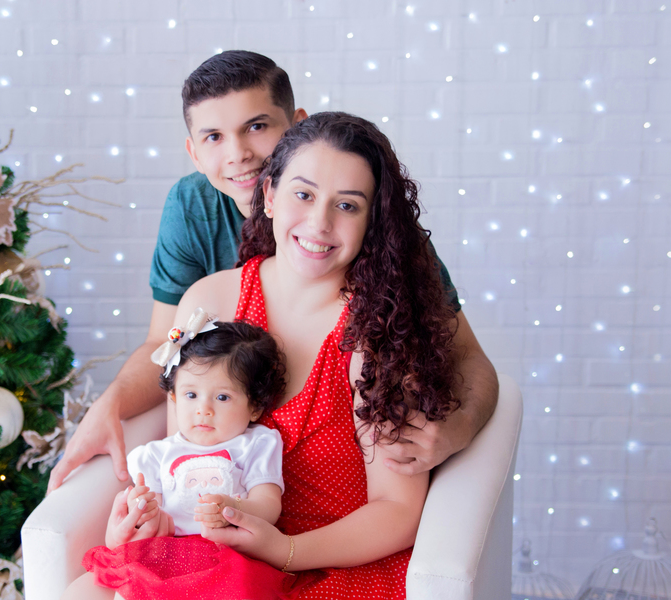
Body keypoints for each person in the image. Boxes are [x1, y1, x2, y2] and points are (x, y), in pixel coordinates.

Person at [50, 112, 460, 600]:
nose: (320, 222)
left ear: (373, 221)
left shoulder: (378, 335)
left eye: (347, 205)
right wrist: (140, 509)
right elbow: (179, 435)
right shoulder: (213, 300)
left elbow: (397, 512)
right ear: (268, 196)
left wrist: (283, 548)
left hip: (326, 570)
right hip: (211, 549)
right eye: (302, 194)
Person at [47, 50, 497, 493]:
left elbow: (468, 356)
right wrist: (111, 403)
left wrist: (459, 427)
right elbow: (164, 343)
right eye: (213, 137)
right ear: (194, 151)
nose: (238, 154)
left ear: (296, 125)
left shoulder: (375, 234)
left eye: (256, 127)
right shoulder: (191, 207)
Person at [64, 316, 319, 600]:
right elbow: (158, 520)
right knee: (133, 581)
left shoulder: (254, 445)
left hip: (228, 553)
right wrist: (144, 513)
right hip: (173, 553)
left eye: (222, 398)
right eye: (191, 395)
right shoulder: (157, 455)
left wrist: (235, 510)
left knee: (244, 596)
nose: (204, 410)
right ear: (173, 399)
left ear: (253, 407)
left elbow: (269, 504)